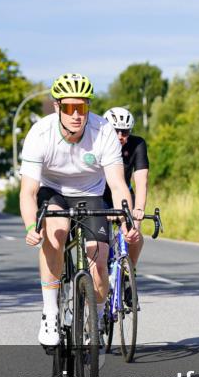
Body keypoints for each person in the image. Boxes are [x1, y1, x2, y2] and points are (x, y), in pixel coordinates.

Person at [18, 73, 139, 346]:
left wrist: (127, 221)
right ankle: (50, 313)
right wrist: (30, 227)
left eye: (82, 107)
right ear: (57, 107)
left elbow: (118, 185)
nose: (76, 115)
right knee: (57, 231)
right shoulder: (40, 133)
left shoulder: (103, 131)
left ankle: (95, 319)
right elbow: (28, 191)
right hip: (54, 191)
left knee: (100, 257)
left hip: (90, 193)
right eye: (70, 107)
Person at [101, 106, 149, 267]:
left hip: (124, 194)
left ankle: (130, 271)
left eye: (125, 132)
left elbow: (142, 180)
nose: (120, 136)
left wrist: (139, 208)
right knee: (100, 241)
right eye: (116, 131)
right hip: (100, 196)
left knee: (133, 231)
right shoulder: (97, 143)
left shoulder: (137, 144)